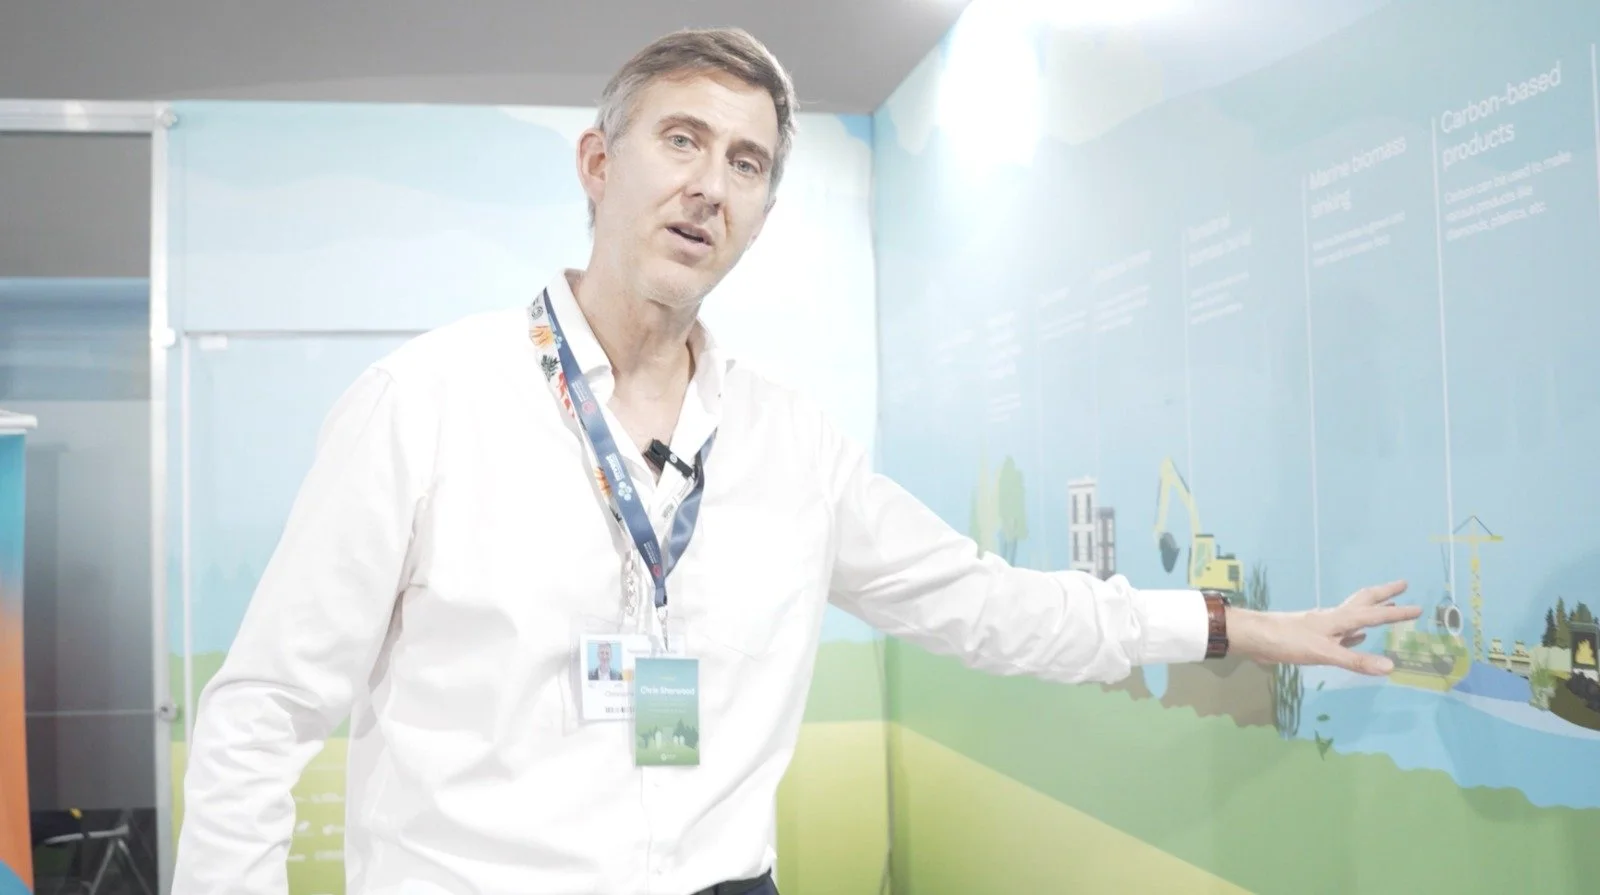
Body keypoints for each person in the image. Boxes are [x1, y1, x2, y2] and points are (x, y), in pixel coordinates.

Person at [171, 26, 1421, 895]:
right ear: (599, 165)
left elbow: (984, 604)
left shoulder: (789, 443)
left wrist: (1229, 628)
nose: (709, 186)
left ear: (764, 213)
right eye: (680, 140)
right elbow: (263, 710)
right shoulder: (423, 404)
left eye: (747, 163)